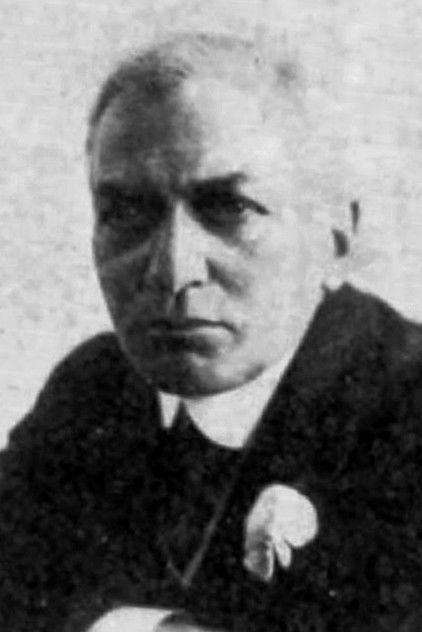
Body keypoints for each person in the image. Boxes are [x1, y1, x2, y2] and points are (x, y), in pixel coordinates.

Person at [1, 32, 422, 632]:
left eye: (231, 208)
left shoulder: (408, 405)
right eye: (126, 212)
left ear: (336, 236)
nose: (175, 270)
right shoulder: (92, 389)